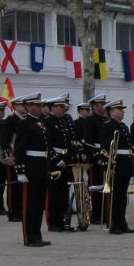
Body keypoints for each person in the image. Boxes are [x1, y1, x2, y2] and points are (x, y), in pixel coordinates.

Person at [14, 93, 50, 246]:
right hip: (31, 168)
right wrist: (21, 171)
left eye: (41, 105)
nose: (40, 108)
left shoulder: (40, 123)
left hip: (41, 167)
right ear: (29, 107)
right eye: (37, 105)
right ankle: (29, 237)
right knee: (30, 205)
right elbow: (20, 148)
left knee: (39, 204)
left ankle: (37, 234)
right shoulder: (25, 123)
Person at [99, 99, 134, 234]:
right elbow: (104, 149)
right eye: (119, 109)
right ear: (112, 112)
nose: (123, 111)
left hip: (125, 163)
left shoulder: (124, 127)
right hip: (115, 164)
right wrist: (108, 167)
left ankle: (122, 222)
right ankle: (113, 223)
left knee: (122, 196)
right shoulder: (108, 127)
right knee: (114, 196)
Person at [43, 96, 78, 232]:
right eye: (61, 107)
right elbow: (48, 144)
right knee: (54, 194)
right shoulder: (47, 122)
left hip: (66, 160)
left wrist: (72, 156)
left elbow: (70, 141)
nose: (64, 109)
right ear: (54, 107)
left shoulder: (64, 121)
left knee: (63, 194)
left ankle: (63, 220)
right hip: (54, 163)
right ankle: (53, 222)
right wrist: (56, 159)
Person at [0, 95, 26, 222]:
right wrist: (6, 157)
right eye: (21, 105)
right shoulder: (10, 120)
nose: (24, 107)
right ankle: (13, 212)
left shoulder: (25, 119)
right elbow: (4, 141)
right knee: (13, 186)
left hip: (23, 157)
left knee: (22, 186)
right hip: (12, 156)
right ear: (15, 106)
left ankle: (21, 210)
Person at [83, 94, 108, 224]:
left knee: (105, 187)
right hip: (96, 159)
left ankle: (104, 212)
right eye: (101, 104)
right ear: (94, 106)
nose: (104, 107)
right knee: (95, 187)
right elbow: (89, 142)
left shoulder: (105, 120)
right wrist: (96, 156)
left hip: (105, 156)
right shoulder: (90, 120)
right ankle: (95, 215)